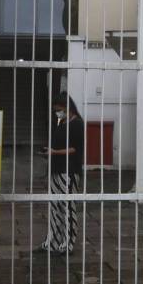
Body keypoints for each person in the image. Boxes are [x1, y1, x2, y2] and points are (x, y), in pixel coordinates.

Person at [39, 93, 85, 255]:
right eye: (56, 110)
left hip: (69, 170)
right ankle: (52, 241)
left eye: (59, 110)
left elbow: (75, 149)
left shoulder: (77, 124)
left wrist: (55, 152)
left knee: (68, 207)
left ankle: (68, 243)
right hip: (56, 169)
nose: (57, 113)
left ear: (67, 108)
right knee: (54, 206)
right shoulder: (62, 122)